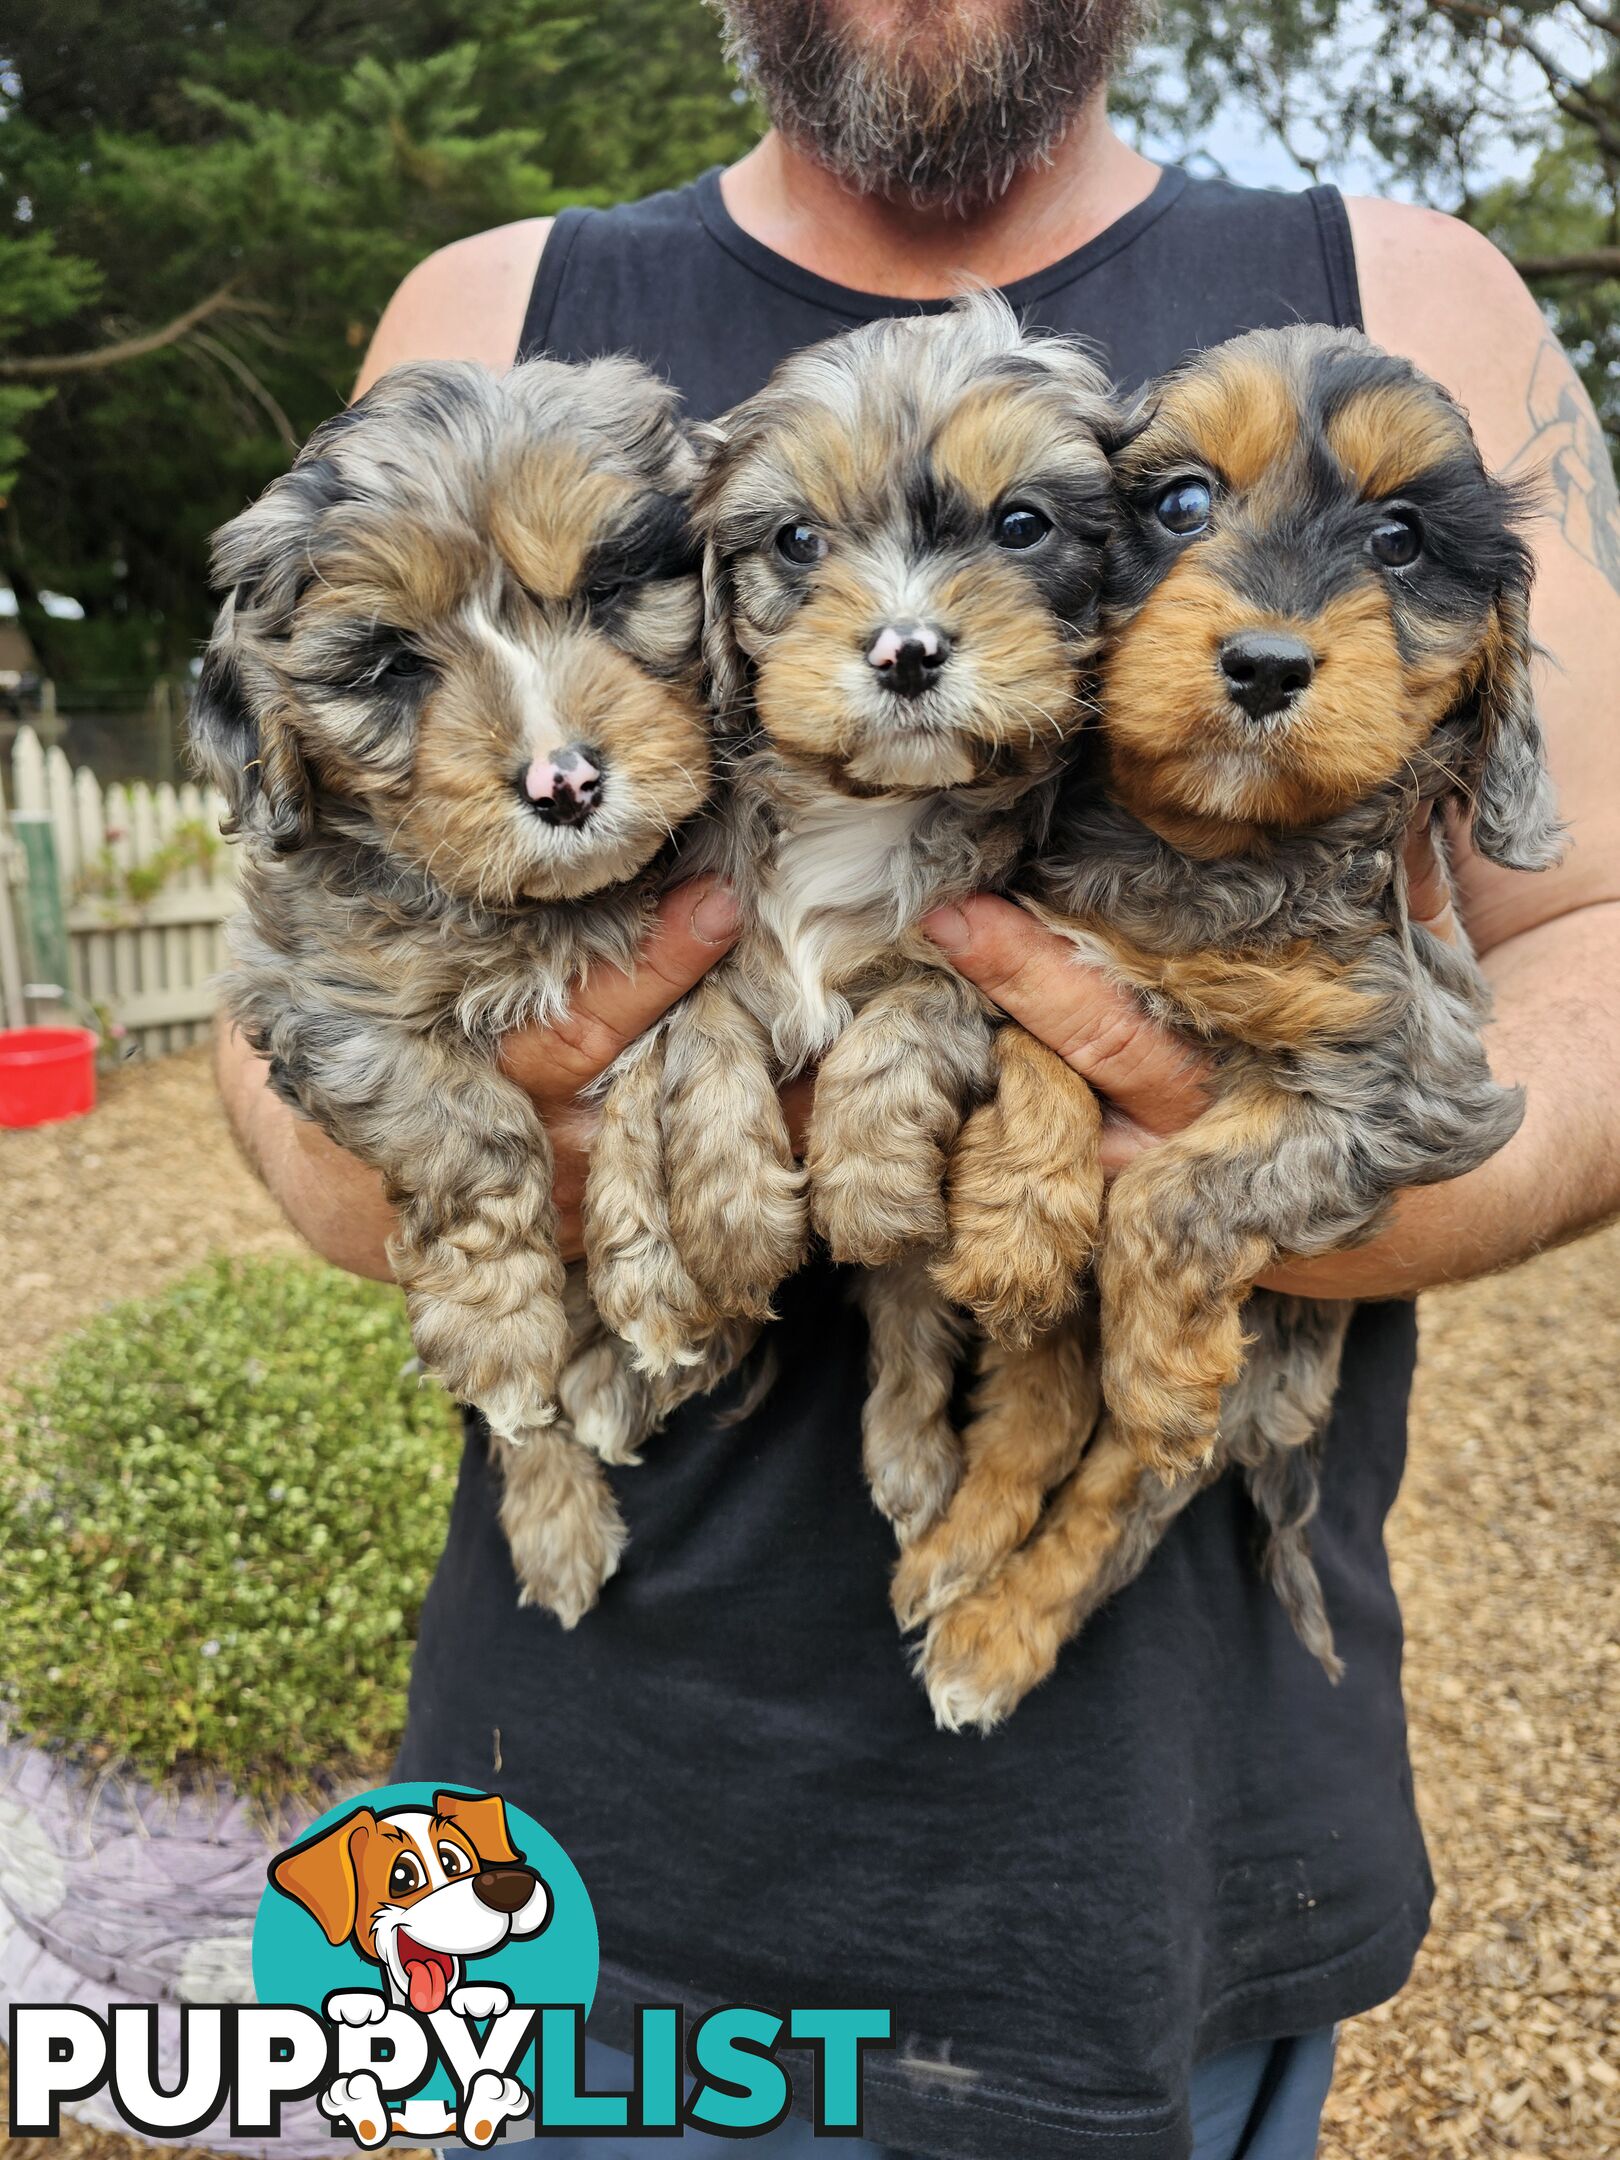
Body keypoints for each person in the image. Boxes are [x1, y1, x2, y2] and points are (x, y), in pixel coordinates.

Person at [215, 4, 1620, 2154]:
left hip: (1156, 1823)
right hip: (580, 1814)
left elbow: (1591, 927)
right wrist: (456, 1157)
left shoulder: (1410, 299)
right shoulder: (500, 315)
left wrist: (1228, 1169)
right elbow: (301, 904)